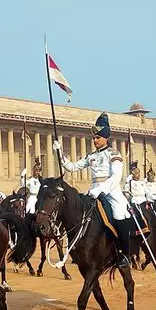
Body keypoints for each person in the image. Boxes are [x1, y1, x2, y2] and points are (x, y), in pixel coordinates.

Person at [56, 112, 133, 267]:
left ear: (106, 138)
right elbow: (71, 167)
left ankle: (125, 254)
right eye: (94, 138)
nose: (95, 140)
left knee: (119, 214)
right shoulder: (91, 156)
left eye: (98, 137)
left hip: (111, 191)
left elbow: (116, 177)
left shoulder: (114, 154)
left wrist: (101, 190)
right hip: (92, 189)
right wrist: (59, 152)